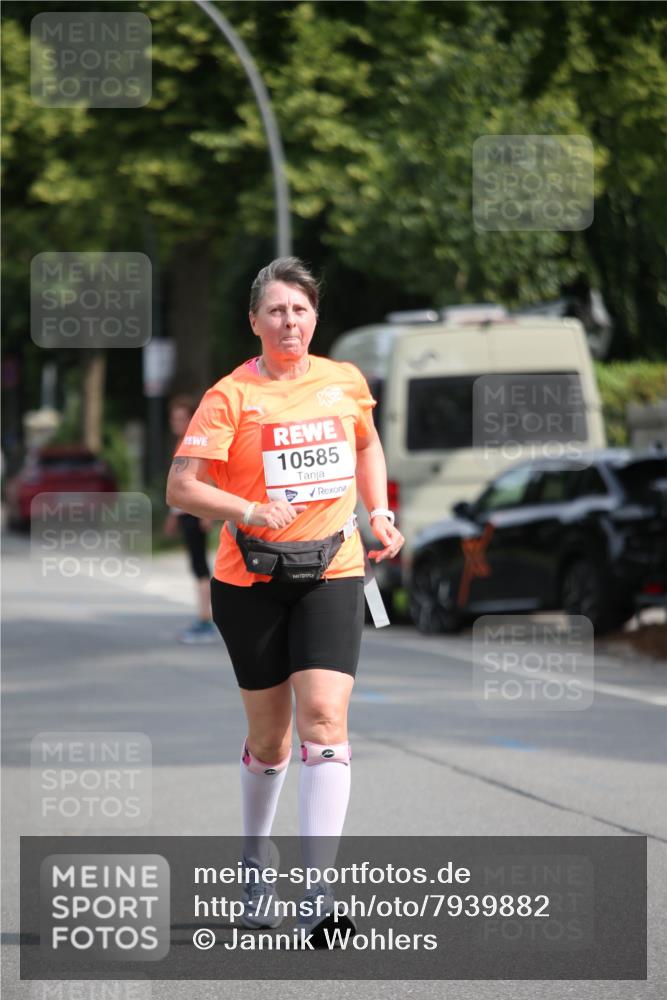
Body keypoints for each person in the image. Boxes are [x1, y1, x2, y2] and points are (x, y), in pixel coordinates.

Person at [166, 257, 403, 940]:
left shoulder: (344, 382)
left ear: (314, 317)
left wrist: (378, 512)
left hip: (332, 570)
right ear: (254, 321)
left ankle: (319, 890)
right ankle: (252, 860)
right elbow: (182, 488)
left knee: (324, 720)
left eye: (298, 310)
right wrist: (247, 508)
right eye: (275, 310)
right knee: (270, 742)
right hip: (251, 583)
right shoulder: (229, 397)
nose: (287, 321)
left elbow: (367, 447)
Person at [164, 396, 217, 644]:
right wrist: (174, 516)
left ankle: (206, 620)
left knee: (200, 567)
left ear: (191, 420)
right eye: (173, 418)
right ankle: (203, 617)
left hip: (196, 512)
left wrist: (207, 513)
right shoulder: (181, 442)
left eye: (180, 418)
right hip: (186, 513)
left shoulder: (194, 443)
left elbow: (204, 479)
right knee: (196, 566)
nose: (175, 423)